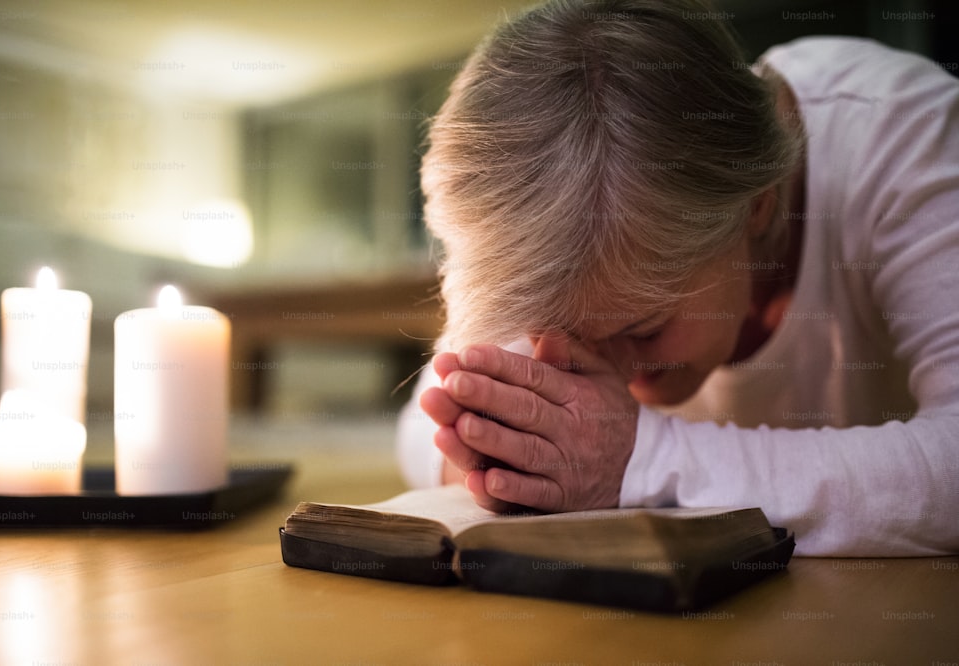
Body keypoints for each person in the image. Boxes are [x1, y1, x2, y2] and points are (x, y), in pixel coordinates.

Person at [396, 0, 959, 556]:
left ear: (757, 206)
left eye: (645, 328)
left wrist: (641, 460)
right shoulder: (564, 209)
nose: (614, 373)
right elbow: (421, 427)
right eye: (577, 337)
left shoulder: (906, 137)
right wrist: (505, 454)